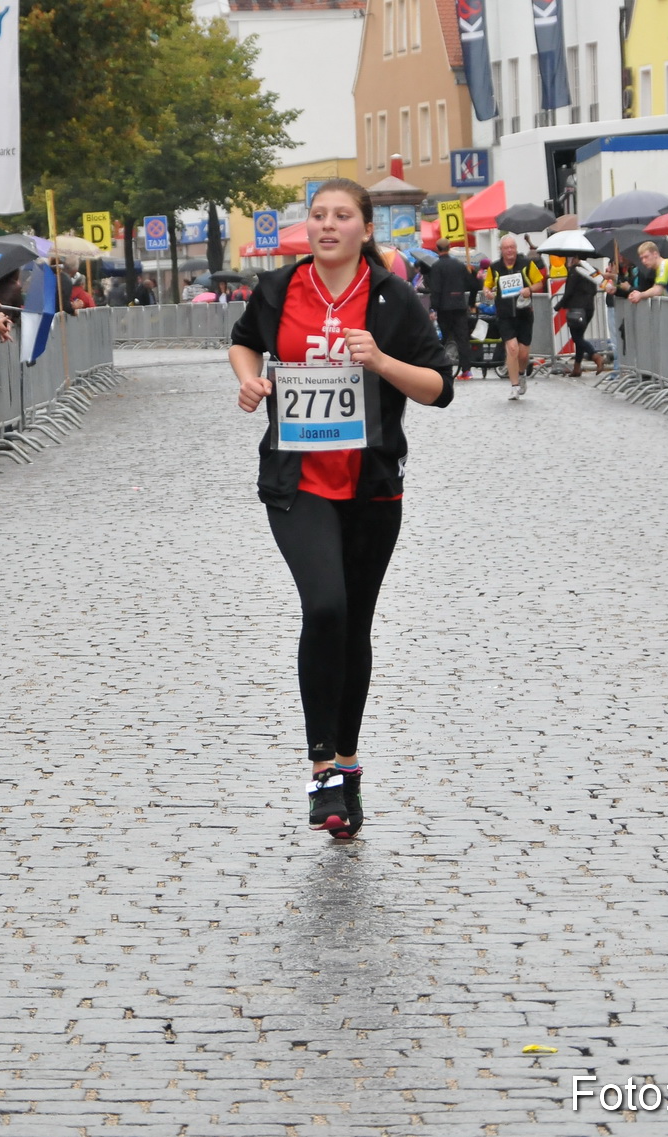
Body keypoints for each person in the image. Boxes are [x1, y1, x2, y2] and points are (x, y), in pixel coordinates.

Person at [226, 177, 453, 839]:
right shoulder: (277, 289)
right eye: (318, 215)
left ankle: (346, 766)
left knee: (353, 625)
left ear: (365, 227)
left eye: (341, 215)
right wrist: (248, 379)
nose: (327, 225)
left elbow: (439, 385)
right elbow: (242, 340)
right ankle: (321, 765)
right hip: (296, 482)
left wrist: (380, 360)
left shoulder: (391, 297)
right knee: (323, 604)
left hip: (372, 486)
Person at [486, 235, 542, 398]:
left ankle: (522, 373)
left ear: (516, 249)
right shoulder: (494, 268)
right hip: (504, 315)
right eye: (506, 248)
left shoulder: (526, 264)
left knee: (523, 354)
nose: (510, 250)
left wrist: (529, 289)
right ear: (501, 250)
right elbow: (487, 287)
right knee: (512, 349)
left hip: (524, 313)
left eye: (512, 247)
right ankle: (514, 386)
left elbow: (539, 282)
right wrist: (488, 294)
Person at [424, 239, 476, 379]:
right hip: (459, 306)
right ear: (450, 247)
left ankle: (439, 368)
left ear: (437, 249)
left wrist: (433, 308)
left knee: (442, 339)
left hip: (444, 308)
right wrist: (471, 303)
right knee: (462, 339)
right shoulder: (459, 265)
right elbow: (473, 284)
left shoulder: (436, 267)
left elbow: (436, 290)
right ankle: (467, 370)